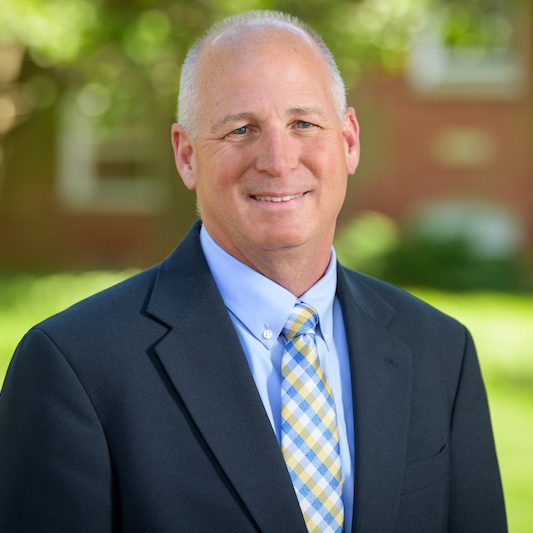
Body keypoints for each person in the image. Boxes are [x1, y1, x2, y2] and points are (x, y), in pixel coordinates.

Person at [0, 10, 506, 533]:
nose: (278, 159)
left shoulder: (440, 352)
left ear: (349, 141)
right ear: (187, 155)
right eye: (242, 130)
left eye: (303, 124)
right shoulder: (76, 368)